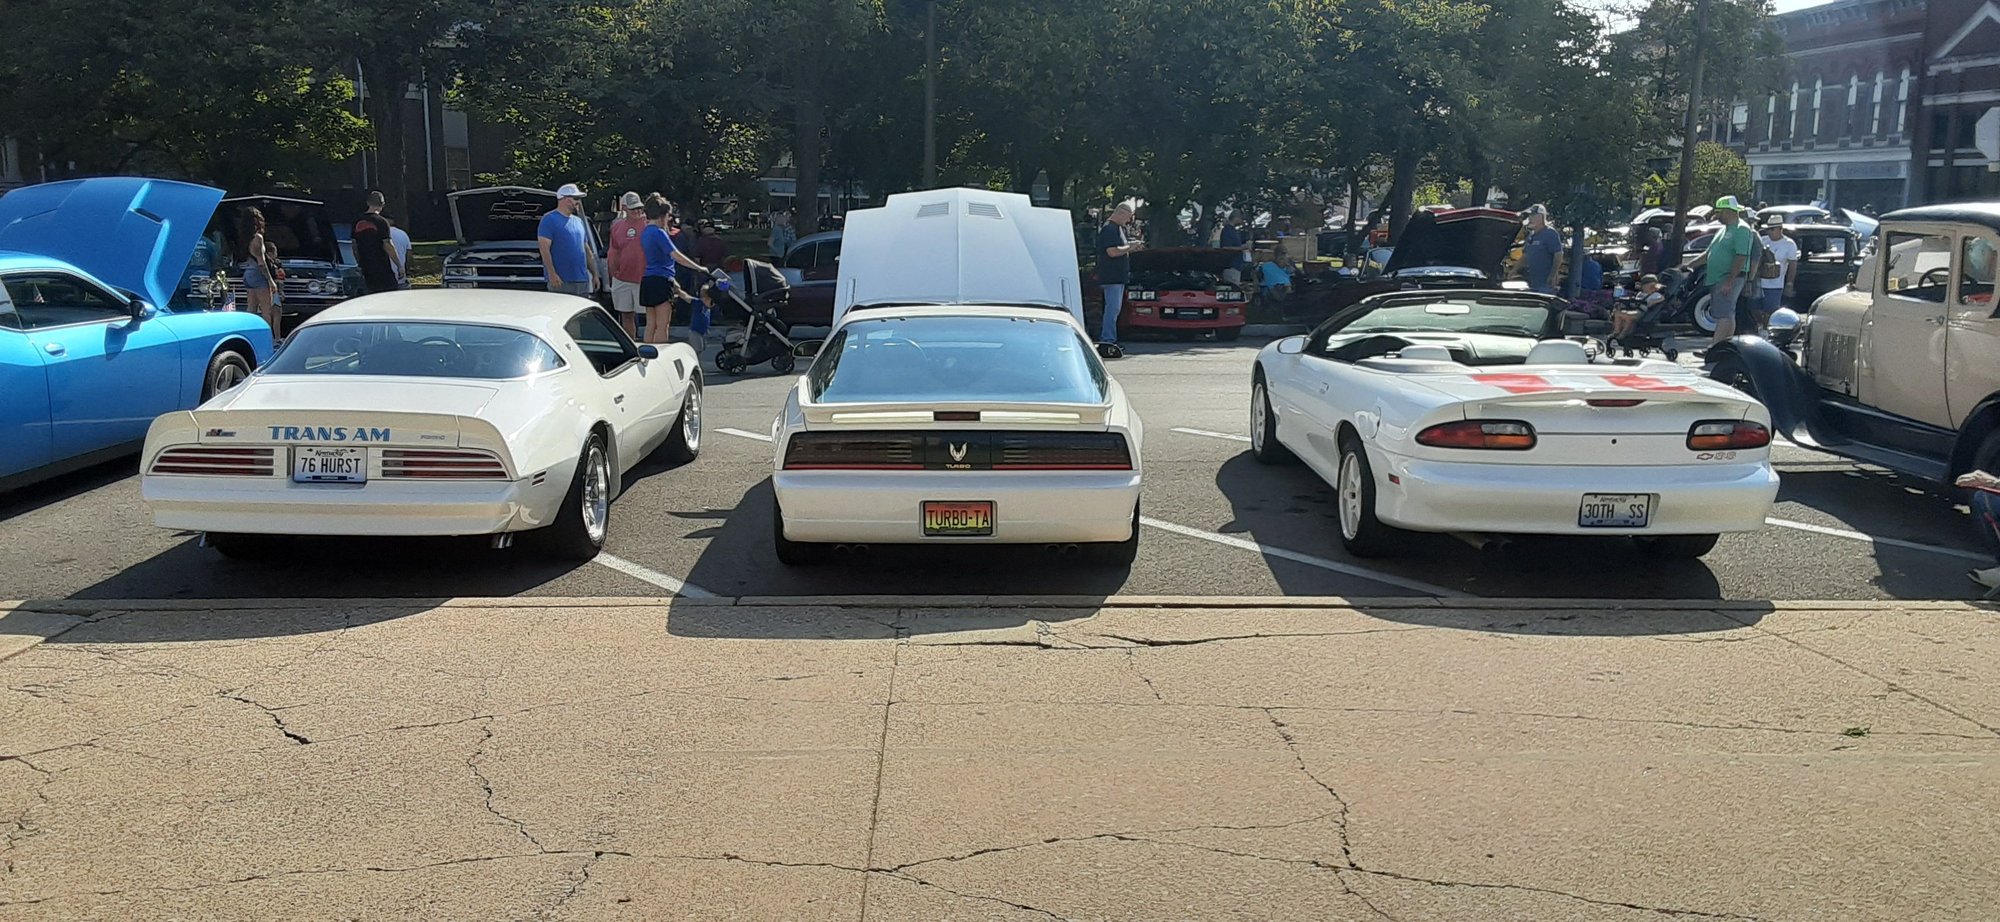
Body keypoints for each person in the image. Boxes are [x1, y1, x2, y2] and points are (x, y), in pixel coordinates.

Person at [640, 193, 717, 346]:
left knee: (651, 324)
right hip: (662, 281)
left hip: (647, 280)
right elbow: (676, 255)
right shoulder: (659, 233)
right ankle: (659, 357)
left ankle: (646, 355)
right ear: (662, 215)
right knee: (663, 325)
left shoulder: (645, 232)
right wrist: (698, 267)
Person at [1684, 195, 1756, 354]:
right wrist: (1688, 265)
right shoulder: (1724, 230)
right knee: (1722, 313)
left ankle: (1715, 348)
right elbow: (1708, 253)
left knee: (1725, 313)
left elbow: (1741, 256)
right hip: (1718, 278)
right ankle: (1723, 348)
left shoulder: (1741, 229)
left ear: (1729, 211)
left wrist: (1730, 280)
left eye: (1720, 212)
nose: (1717, 215)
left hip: (1729, 277)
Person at [537, 183, 598, 297]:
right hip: (561, 281)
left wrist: (595, 274)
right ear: (566, 199)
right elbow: (544, 249)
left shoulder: (579, 221)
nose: (578, 202)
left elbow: (586, 249)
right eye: (576, 198)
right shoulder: (549, 219)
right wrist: (552, 274)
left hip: (582, 280)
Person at [1096, 202, 1144, 344]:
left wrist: (1130, 244)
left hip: (1117, 277)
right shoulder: (1109, 229)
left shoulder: (1117, 229)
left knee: (1114, 309)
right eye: (1128, 217)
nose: (1128, 221)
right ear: (1120, 213)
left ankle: (1109, 337)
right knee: (1112, 309)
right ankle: (1108, 339)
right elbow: (1112, 251)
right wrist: (1130, 247)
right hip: (1112, 277)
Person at [606, 191, 649, 339]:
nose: (637, 211)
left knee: (649, 315)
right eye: (633, 208)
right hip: (622, 277)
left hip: (643, 278)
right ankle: (631, 345)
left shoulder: (648, 224)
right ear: (624, 208)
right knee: (626, 314)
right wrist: (612, 273)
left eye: (639, 208)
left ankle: (650, 347)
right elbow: (613, 251)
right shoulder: (617, 227)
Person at [238, 207, 280, 332]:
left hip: (248, 273)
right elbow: (261, 263)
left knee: (251, 309)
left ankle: (248, 333)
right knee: (266, 310)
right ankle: (267, 337)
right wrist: (271, 281)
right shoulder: (258, 238)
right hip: (258, 274)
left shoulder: (244, 238)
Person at [351, 191, 401, 295]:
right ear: (382, 204)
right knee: (390, 294)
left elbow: (354, 245)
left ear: (368, 203)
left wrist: (359, 262)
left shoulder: (357, 221)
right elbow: (388, 245)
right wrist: (399, 265)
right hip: (381, 266)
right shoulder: (381, 222)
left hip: (366, 266)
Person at [1759, 221, 1800, 321]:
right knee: (1754, 308)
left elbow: (1792, 265)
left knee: (1771, 311)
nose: (1769, 232)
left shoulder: (1789, 244)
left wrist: (1789, 283)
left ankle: (1767, 330)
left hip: (1775, 285)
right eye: (1768, 229)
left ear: (1780, 229)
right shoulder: (1763, 240)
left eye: (1772, 229)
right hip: (1758, 282)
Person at [1521, 205, 1563, 294]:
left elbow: (1558, 254)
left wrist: (1553, 274)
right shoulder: (1531, 235)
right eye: (1529, 216)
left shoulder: (1550, 233)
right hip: (1532, 282)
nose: (1530, 218)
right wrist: (1514, 270)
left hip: (1546, 283)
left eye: (1533, 215)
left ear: (1541, 216)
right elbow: (1526, 255)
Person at [1611, 273, 1662, 343]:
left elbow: (1662, 298)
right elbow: (1635, 302)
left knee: (1628, 317)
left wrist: (1653, 301)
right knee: (1619, 314)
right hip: (1635, 309)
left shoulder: (1656, 295)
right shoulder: (1641, 294)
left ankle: (1621, 333)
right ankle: (1618, 331)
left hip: (1643, 312)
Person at [1220, 213, 1252, 285]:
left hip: (1237, 265)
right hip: (1231, 264)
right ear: (1236, 218)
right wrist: (1242, 248)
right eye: (1241, 219)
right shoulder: (1227, 230)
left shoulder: (1234, 230)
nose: (1241, 221)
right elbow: (1225, 247)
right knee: (1233, 287)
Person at [388, 219, 412, 289]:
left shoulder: (379, 234)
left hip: (383, 278)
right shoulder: (403, 234)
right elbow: (409, 254)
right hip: (400, 277)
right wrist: (406, 270)